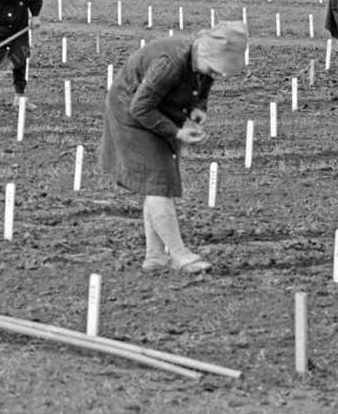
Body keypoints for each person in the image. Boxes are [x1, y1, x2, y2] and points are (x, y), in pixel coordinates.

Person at [98, 20, 248, 274]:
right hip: (131, 117)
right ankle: (179, 255)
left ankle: (155, 256)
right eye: (215, 68)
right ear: (206, 53)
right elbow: (139, 107)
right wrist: (177, 131)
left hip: (157, 113)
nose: (218, 75)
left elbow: (203, 83)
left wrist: (198, 108)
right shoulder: (169, 63)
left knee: (157, 183)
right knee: (158, 183)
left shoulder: (200, 60)